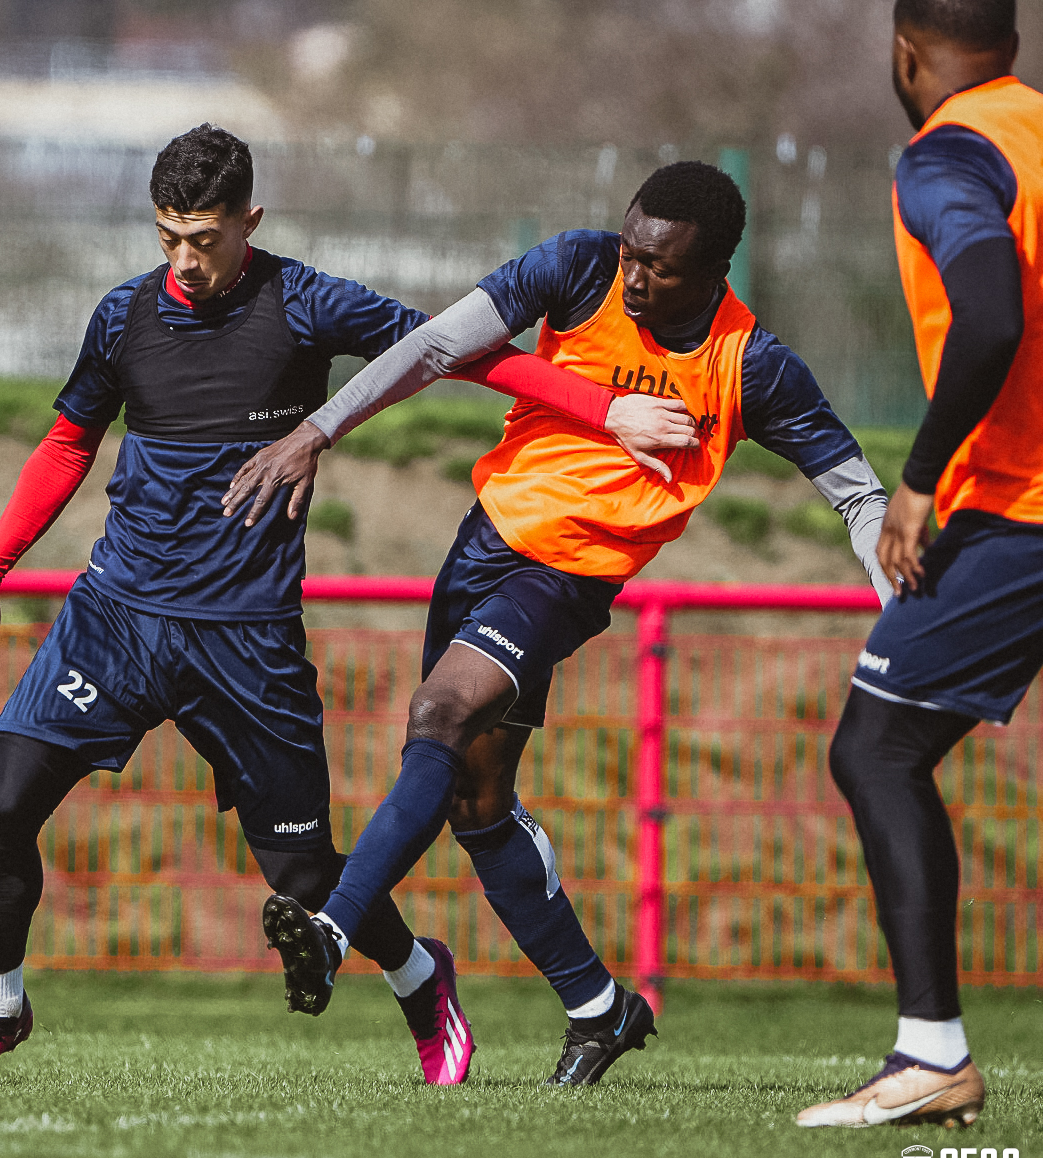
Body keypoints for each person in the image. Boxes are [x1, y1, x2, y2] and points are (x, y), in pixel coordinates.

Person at [0, 123, 617, 1086]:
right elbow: (66, 445)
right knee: (3, 807)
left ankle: (423, 982)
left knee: (305, 880)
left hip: (247, 646)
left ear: (249, 221)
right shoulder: (124, 316)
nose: (184, 261)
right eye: (167, 237)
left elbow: (452, 350)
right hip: (115, 619)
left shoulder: (303, 304)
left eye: (204, 239)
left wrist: (602, 409)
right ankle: (1, 1013)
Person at [224, 159, 895, 1086]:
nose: (633, 276)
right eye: (630, 251)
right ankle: (598, 1008)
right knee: (475, 800)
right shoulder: (576, 270)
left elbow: (862, 499)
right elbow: (433, 348)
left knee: (439, 717)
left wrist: (905, 610)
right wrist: (317, 430)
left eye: (659, 266)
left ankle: (336, 930)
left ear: (714, 272)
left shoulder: (753, 366)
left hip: (564, 582)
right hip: (482, 547)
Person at [796, 0, 1034, 1130]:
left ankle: (931, 1053)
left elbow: (987, 315)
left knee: (877, 743)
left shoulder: (946, 154)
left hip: (1022, 509)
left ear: (903, 53)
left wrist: (923, 475)